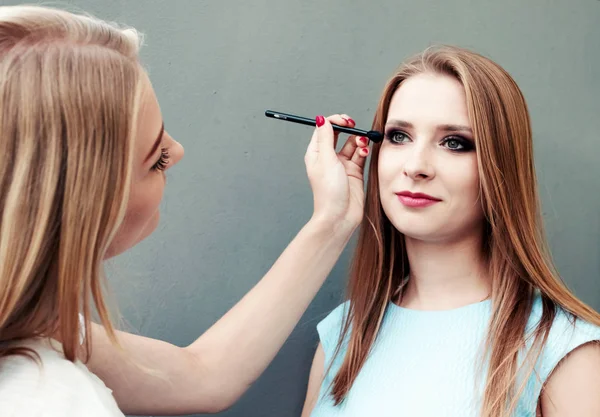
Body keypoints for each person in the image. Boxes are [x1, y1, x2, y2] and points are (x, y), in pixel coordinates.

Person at [0, 5, 370, 416]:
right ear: (79, 204)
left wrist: (332, 221)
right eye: (155, 159)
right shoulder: (47, 397)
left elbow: (202, 376)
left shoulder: (28, 327)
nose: (177, 151)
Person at [300, 45, 600, 417]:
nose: (416, 166)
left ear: (499, 168)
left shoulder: (564, 348)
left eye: (454, 143)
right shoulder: (343, 333)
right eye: (398, 137)